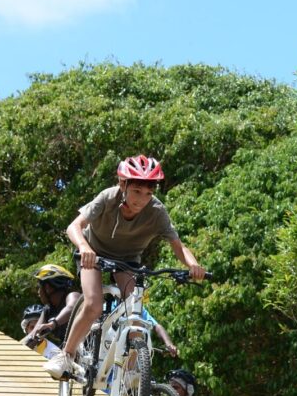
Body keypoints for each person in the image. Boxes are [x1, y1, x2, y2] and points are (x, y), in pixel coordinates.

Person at [43, 154, 205, 380]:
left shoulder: (157, 211)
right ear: (123, 185)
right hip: (93, 253)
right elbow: (74, 226)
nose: (142, 199)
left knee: (135, 313)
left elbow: (178, 247)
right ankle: (66, 355)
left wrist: (193, 264)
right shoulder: (108, 198)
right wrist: (84, 246)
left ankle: (128, 375)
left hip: (127, 260)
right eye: (137, 191)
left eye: (148, 193)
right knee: (93, 304)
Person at [28, 264, 81, 348]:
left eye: (39, 287)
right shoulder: (47, 310)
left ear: (47, 287)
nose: (38, 292)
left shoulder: (72, 295)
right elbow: (33, 334)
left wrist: (52, 324)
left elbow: (71, 308)